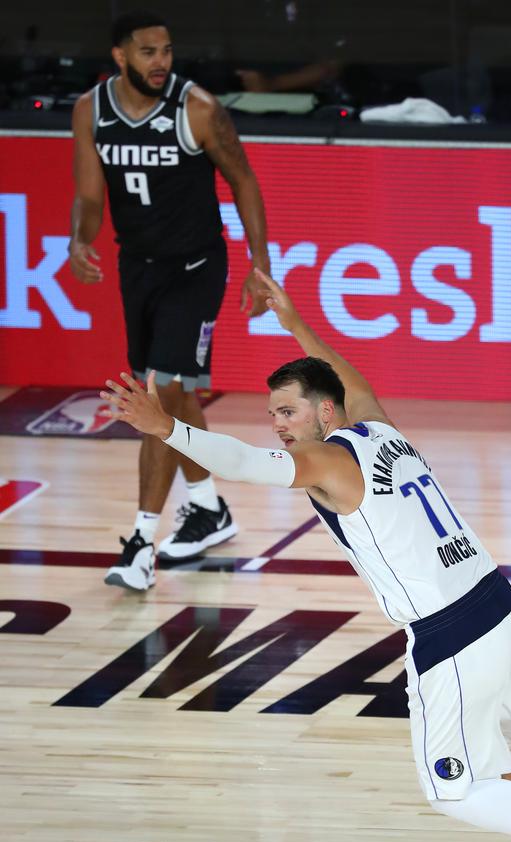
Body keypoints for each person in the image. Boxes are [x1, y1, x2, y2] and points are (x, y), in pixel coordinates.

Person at [100, 269, 511, 842]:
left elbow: (242, 462)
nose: (278, 426)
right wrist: (294, 321)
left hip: (452, 636)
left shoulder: (328, 460)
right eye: (273, 413)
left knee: (452, 789)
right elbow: (346, 373)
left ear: (325, 413)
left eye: (288, 412)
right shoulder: (379, 430)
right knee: (493, 768)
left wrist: (167, 426)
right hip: (499, 609)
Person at [69, 10, 270, 591]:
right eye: (148, 52)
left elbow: (244, 179)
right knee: (176, 395)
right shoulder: (92, 110)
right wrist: (80, 236)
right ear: (120, 56)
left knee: (157, 391)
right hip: (139, 269)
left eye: (167, 50)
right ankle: (207, 508)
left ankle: (140, 542)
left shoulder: (197, 107)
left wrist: (261, 264)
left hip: (196, 268)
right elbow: (88, 192)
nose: (162, 61)